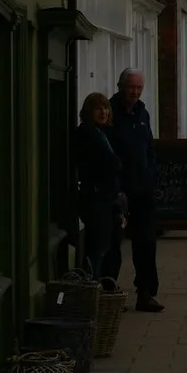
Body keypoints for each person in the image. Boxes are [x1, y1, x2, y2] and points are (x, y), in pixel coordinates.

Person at [107, 69, 163, 312]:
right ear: (120, 86)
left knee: (146, 243)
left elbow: (148, 146)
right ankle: (108, 294)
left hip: (142, 190)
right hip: (117, 192)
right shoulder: (108, 113)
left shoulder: (142, 112)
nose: (136, 92)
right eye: (131, 87)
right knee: (112, 246)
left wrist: (150, 174)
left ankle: (146, 292)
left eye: (139, 88)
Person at [73, 92, 124, 282]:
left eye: (106, 108)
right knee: (98, 247)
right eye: (98, 108)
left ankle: (105, 289)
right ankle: (94, 288)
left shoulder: (101, 132)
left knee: (109, 246)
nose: (103, 112)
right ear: (88, 111)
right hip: (96, 199)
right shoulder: (86, 133)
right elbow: (110, 164)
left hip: (106, 198)